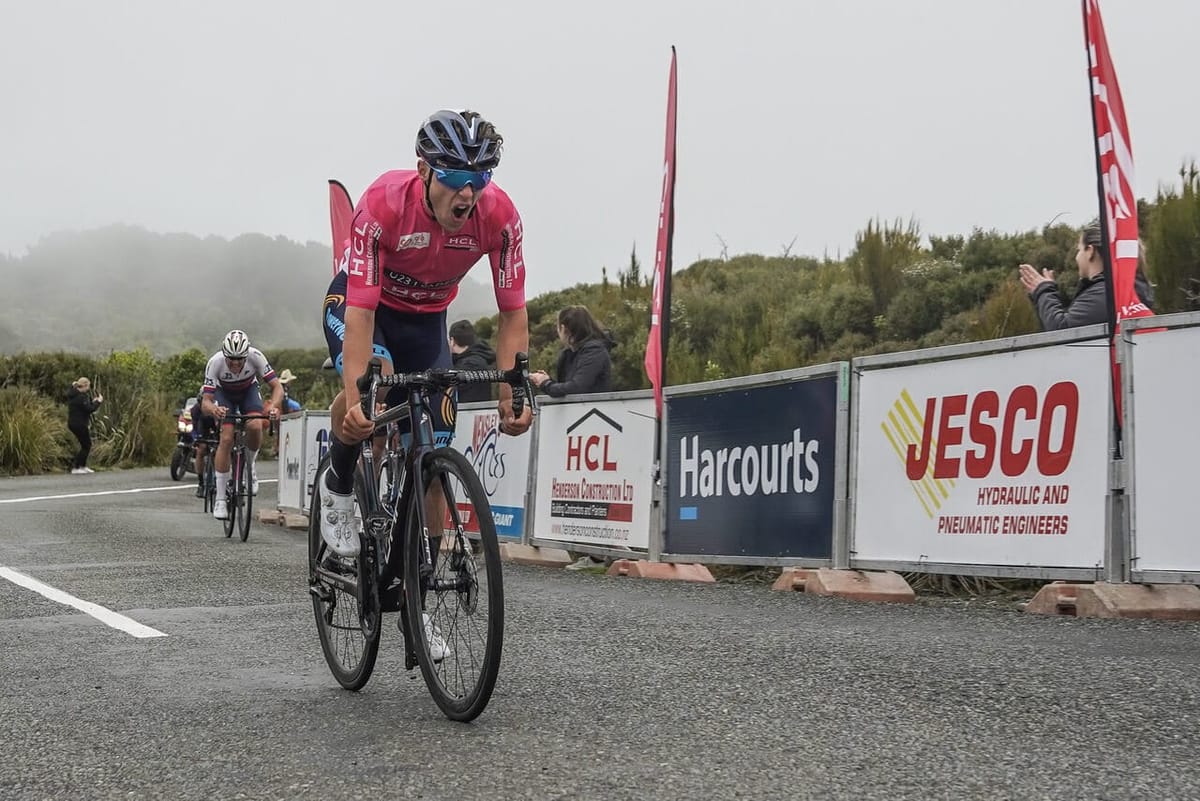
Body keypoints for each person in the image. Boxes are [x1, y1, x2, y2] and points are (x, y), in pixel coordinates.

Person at [319, 108, 533, 574]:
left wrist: (511, 390)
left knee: (432, 447)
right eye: (455, 176)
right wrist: (360, 398)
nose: (468, 192)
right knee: (372, 398)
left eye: (480, 177)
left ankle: (420, 589)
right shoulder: (383, 203)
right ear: (423, 170)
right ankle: (337, 485)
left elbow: (512, 311)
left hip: (427, 321)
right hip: (364, 308)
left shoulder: (499, 216)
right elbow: (360, 311)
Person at [200, 329, 283, 519]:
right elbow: (206, 401)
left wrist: (274, 406)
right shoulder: (215, 362)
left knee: (254, 426)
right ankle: (221, 499)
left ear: (246, 354)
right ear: (224, 354)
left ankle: (250, 466)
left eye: (240, 359)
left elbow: (277, 386)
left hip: (248, 392)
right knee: (227, 438)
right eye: (231, 359)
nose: (236, 363)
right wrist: (214, 410)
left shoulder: (256, 356)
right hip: (224, 395)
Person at [1018, 222, 1155, 330]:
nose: (1077, 257)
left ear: (1090, 251)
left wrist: (1044, 291)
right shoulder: (1133, 290)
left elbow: (1062, 330)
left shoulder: (1106, 293)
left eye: (1079, 250)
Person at [530, 305, 613, 397]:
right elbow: (569, 388)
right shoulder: (569, 354)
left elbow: (577, 387)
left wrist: (546, 384)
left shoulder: (594, 351)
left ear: (563, 328)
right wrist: (548, 381)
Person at [448, 319, 496, 403]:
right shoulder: (482, 358)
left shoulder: (465, 366)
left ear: (452, 341)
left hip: (465, 413)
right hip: (483, 411)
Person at [66, 377, 103, 474]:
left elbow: (85, 406)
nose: (88, 389)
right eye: (88, 387)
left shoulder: (73, 393)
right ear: (85, 386)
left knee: (85, 445)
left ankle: (82, 466)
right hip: (79, 424)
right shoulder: (81, 397)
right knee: (86, 445)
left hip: (73, 423)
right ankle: (77, 467)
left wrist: (93, 402)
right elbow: (89, 409)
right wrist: (98, 402)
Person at [189, 387, 218, 497]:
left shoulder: (217, 408)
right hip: (202, 428)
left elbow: (220, 427)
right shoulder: (195, 410)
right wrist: (196, 438)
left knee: (218, 450)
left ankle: (218, 480)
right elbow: (194, 427)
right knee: (201, 450)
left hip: (215, 426)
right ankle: (201, 483)